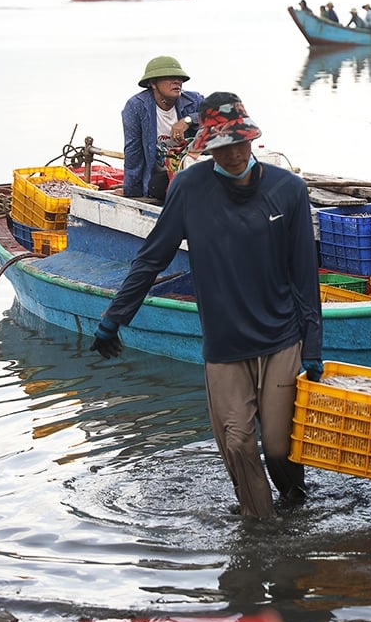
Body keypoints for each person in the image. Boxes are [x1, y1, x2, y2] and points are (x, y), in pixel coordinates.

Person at [92, 92, 324, 521]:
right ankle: (261, 529)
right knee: (236, 444)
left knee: (278, 446)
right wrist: (115, 317)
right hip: (224, 344)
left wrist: (313, 347)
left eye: (240, 143)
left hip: (281, 339)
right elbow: (152, 257)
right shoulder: (189, 189)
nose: (234, 154)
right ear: (206, 148)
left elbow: (304, 276)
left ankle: (295, 504)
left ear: (252, 139)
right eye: (222, 146)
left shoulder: (287, 190)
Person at [121, 56, 205, 201]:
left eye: (179, 78)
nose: (177, 82)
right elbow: (133, 153)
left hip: (193, 171)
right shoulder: (136, 107)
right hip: (161, 177)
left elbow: (222, 117)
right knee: (159, 187)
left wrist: (189, 120)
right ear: (153, 83)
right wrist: (131, 193)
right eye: (170, 78)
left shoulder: (194, 101)